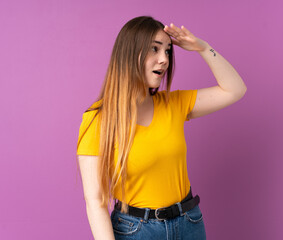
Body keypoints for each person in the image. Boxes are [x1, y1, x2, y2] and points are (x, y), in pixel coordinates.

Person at [76, 16, 247, 240]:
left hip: (189, 223)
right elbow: (95, 202)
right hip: (136, 231)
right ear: (129, 53)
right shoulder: (98, 119)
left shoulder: (173, 104)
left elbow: (235, 89)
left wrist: (202, 48)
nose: (164, 59)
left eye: (167, 51)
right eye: (154, 49)